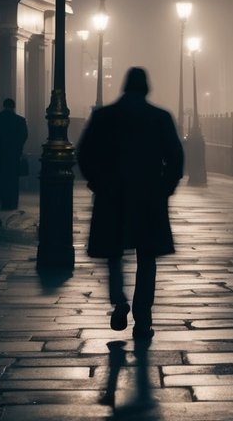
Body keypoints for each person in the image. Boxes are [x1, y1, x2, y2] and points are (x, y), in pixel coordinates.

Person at [77, 67, 185, 340]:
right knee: (147, 258)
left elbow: (85, 153)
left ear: (124, 87)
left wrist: (97, 182)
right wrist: (165, 189)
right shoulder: (160, 117)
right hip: (148, 197)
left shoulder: (104, 116)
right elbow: (175, 158)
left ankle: (119, 300)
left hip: (112, 195)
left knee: (114, 255)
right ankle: (143, 319)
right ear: (146, 88)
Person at [0, 98, 28, 210]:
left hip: (0, 154)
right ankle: (13, 202)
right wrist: (18, 148)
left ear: (3, 105)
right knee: (13, 179)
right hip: (14, 155)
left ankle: (4, 202)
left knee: (2, 179)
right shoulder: (20, 120)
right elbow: (24, 136)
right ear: (14, 107)